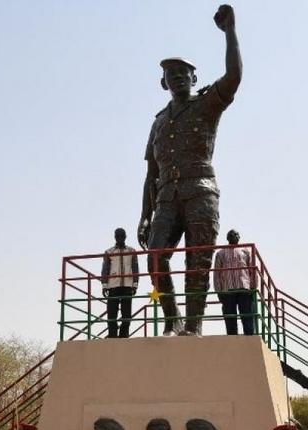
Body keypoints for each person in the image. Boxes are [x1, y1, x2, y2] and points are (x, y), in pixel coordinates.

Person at [137, 4, 242, 336]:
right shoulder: (157, 122)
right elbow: (150, 174)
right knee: (155, 257)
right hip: (166, 196)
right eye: (172, 75)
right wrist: (143, 214)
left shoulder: (207, 105)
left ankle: (193, 326)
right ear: (163, 82)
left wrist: (230, 33)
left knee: (197, 262)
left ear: (195, 78)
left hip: (201, 191)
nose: (178, 78)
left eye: (184, 74)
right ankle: (173, 319)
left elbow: (234, 77)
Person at [213, 229, 255, 335]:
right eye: (231, 235)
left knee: (246, 314)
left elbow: (251, 270)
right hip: (228, 289)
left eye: (236, 234)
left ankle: (249, 336)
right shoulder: (220, 254)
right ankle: (232, 337)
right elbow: (217, 274)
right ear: (227, 238)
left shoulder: (245, 251)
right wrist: (219, 291)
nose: (234, 236)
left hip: (243, 288)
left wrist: (253, 288)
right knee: (230, 316)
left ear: (239, 237)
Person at [101, 228, 140, 338]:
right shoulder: (109, 252)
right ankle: (112, 334)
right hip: (113, 285)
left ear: (125, 236)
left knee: (126, 313)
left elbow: (135, 268)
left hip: (127, 285)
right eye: (117, 236)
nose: (119, 238)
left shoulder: (132, 251)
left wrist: (135, 284)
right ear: (115, 237)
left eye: (122, 236)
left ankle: (124, 335)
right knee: (112, 313)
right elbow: (105, 269)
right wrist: (104, 285)